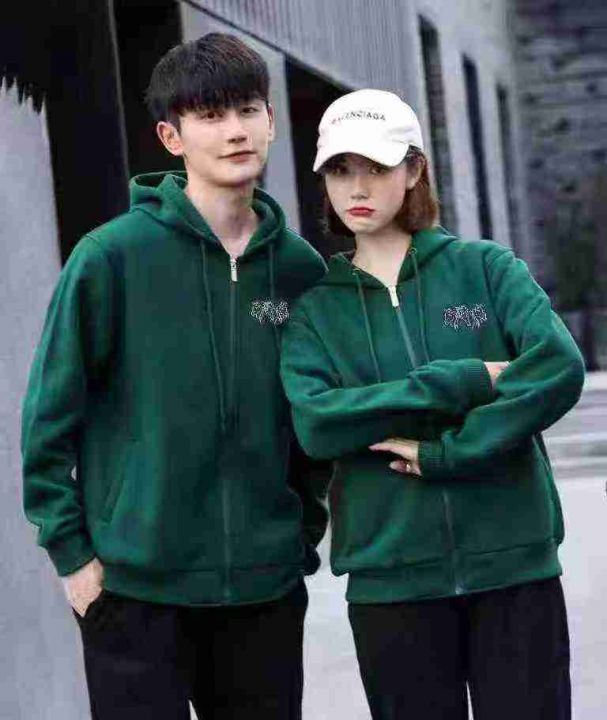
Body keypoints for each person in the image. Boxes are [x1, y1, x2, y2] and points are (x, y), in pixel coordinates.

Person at [21, 33, 327, 720]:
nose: (235, 131)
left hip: (263, 593)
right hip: (133, 591)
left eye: (247, 110)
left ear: (272, 121)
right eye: (210, 116)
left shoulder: (300, 272)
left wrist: (296, 535)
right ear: (171, 136)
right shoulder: (112, 258)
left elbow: (315, 418)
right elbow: (49, 418)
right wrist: (74, 560)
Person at [280, 88, 585, 720]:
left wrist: (451, 452)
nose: (356, 186)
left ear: (414, 169)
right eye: (339, 169)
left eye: (376, 166)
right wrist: (463, 380)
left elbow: (556, 367)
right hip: (391, 584)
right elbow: (318, 421)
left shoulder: (485, 271)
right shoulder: (315, 311)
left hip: (513, 568)